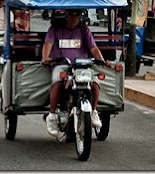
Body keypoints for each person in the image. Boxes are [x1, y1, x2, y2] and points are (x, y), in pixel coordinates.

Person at [40, 9, 111, 137]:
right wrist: (45, 57)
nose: (74, 18)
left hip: (82, 66)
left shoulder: (84, 30)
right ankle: (51, 115)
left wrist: (101, 60)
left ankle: (94, 111)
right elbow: (47, 44)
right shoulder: (54, 29)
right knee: (57, 82)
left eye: (77, 15)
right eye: (71, 15)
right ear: (65, 16)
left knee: (94, 83)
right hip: (62, 65)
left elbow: (93, 48)